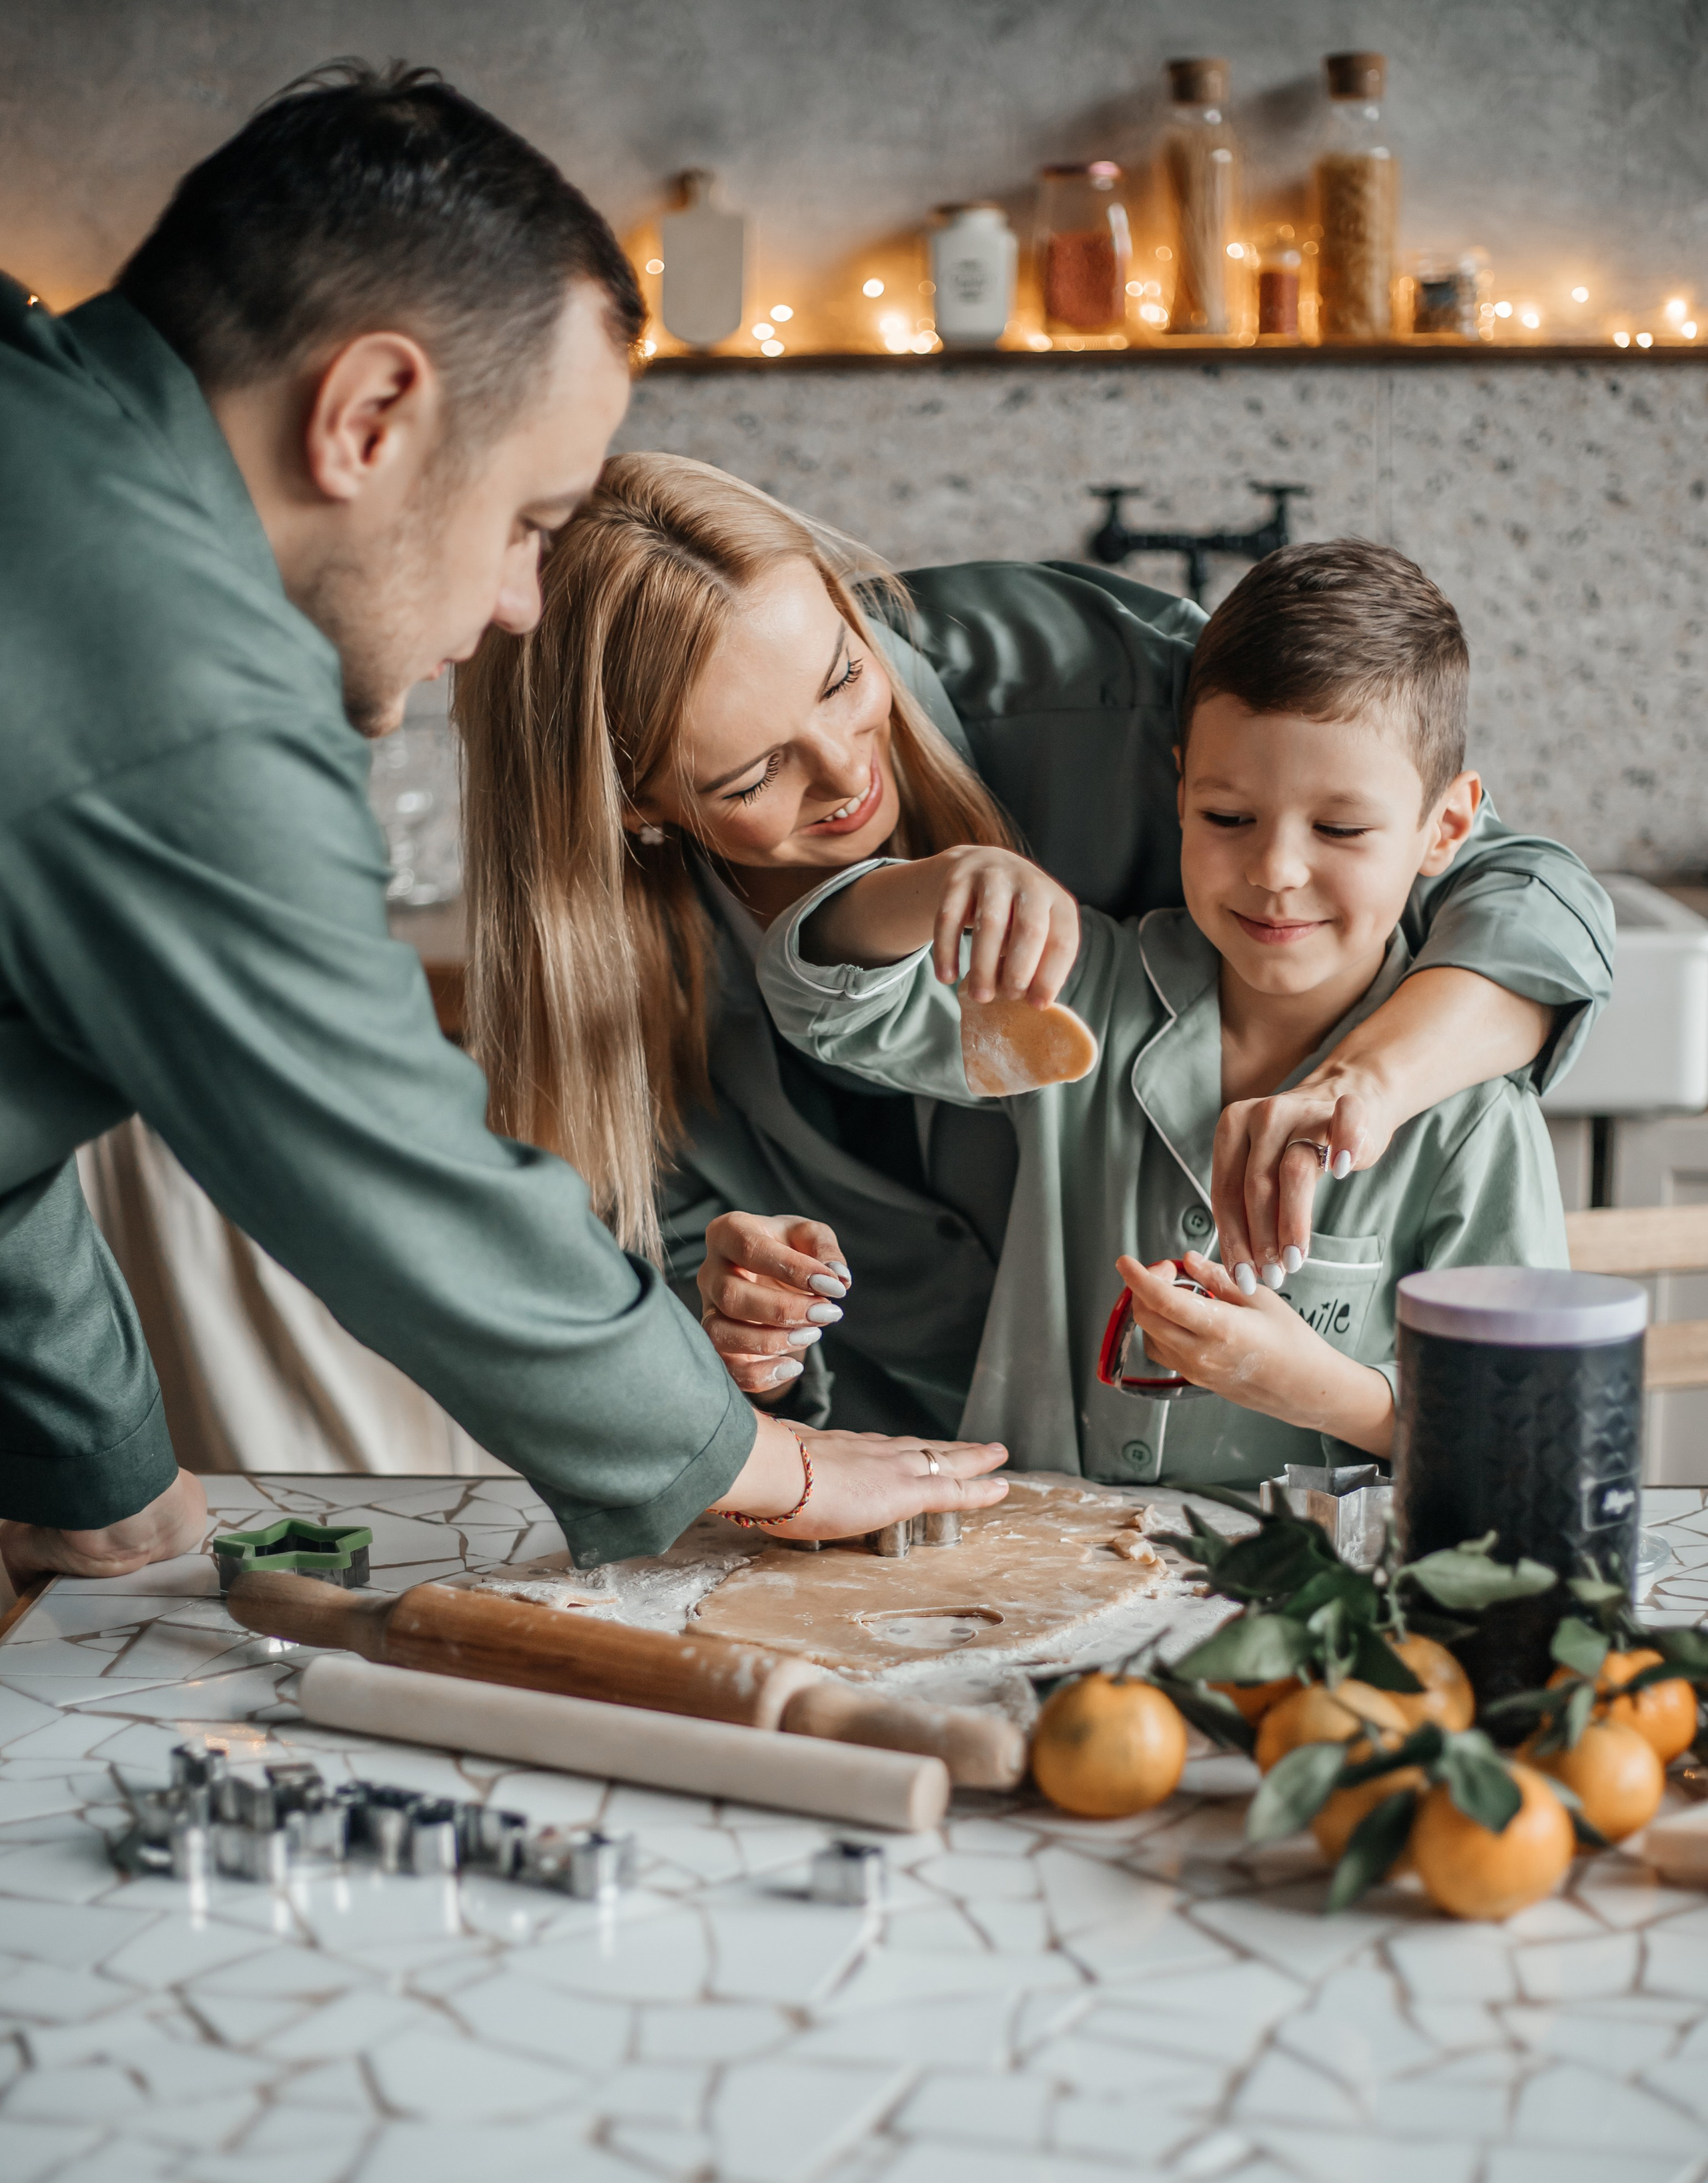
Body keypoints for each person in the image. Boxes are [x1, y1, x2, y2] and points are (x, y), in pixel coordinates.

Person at [0, 62, 1007, 1586]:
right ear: (369, 416)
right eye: (529, 522)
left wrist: (100, 1474)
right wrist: (761, 1463)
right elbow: (381, 1160)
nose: (521, 602)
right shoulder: (165, 655)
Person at [455, 456, 1611, 1443]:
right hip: (886, 1473)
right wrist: (741, 1337)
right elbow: (806, 1026)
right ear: (634, 807)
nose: (851, 770)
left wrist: (1371, 1083)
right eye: (753, 774)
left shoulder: (1110, 695)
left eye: (844, 676)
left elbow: (1521, 892)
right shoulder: (595, 973)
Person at [756, 539, 1571, 1482]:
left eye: (1340, 828)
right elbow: (828, 1008)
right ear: (1179, 792)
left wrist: (1318, 1388)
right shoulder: (1081, 990)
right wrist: (932, 886)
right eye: (1229, 818)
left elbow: (1524, 1440)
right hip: (1040, 1555)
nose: (1276, 871)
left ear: (1448, 827)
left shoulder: (1473, 1116)